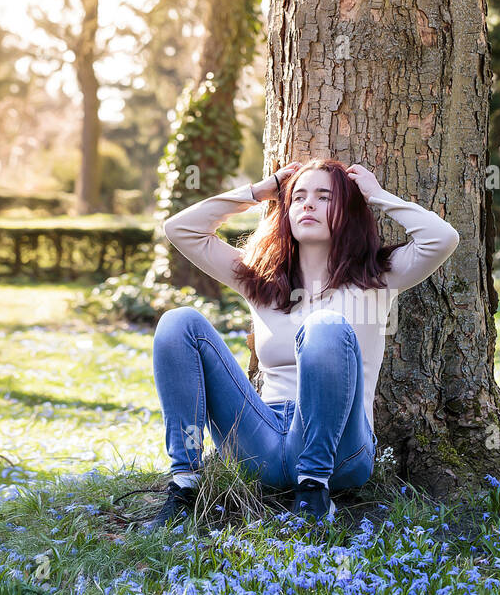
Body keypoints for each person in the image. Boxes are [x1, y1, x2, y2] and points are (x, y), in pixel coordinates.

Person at [144, 157, 459, 530]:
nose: (308, 204)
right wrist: (258, 193)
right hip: (264, 439)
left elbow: (443, 238)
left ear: (348, 210)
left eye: (324, 197)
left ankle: (314, 491)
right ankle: (185, 486)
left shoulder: (378, 275)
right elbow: (181, 229)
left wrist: (376, 195)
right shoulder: (259, 279)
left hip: (341, 449)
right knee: (178, 322)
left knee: (324, 326)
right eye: (298, 197)